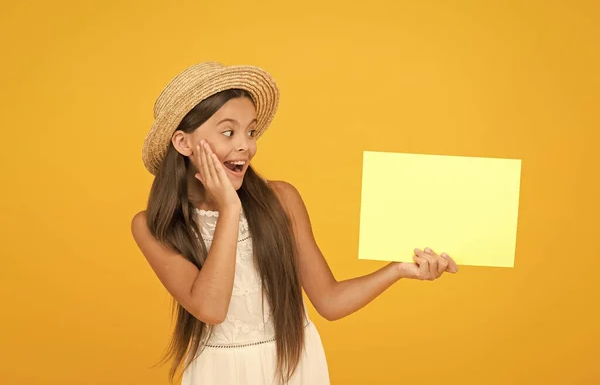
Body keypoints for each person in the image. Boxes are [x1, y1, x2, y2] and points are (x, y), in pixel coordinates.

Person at [131, 61, 459, 385]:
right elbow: (211, 309)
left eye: (251, 131)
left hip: (293, 366)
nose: (246, 145)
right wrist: (229, 209)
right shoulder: (152, 226)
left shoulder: (281, 200)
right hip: (219, 373)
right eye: (228, 132)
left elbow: (329, 302)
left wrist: (399, 269)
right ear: (183, 143)